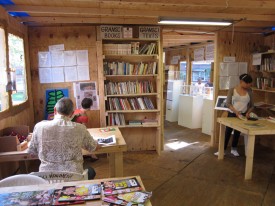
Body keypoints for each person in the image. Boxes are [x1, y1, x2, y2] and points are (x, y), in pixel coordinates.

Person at [28, 97, 100, 180]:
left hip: (47, 178)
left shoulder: (39, 126)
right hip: (73, 177)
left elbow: (32, 151)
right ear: (72, 114)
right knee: (91, 171)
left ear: (55, 110)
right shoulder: (80, 128)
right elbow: (93, 147)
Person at [215, 73, 254, 157]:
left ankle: (234, 149)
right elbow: (228, 103)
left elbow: (252, 106)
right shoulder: (232, 89)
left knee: (237, 132)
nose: (248, 85)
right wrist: (235, 111)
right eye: (246, 83)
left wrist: (248, 112)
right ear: (241, 81)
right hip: (232, 113)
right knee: (227, 131)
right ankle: (222, 150)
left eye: (249, 84)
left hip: (242, 115)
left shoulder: (250, 91)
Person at [72, 97, 99, 161]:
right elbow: (84, 129)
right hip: (77, 134)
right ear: (90, 106)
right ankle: (92, 155)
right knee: (90, 139)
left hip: (72, 132)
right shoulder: (84, 116)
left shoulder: (76, 111)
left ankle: (90, 154)